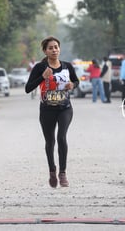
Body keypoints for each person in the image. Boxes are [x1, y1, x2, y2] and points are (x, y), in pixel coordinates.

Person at [25, 36, 79, 188]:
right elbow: (28, 88)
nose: (54, 50)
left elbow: (76, 81)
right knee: (50, 142)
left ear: (59, 49)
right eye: (50, 48)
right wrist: (42, 78)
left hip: (65, 108)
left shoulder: (67, 66)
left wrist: (72, 85)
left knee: (61, 137)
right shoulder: (40, 67)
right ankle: (52, 171)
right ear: (45, 51)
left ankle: (63, 173)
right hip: (47, 109)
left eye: (56, 47)